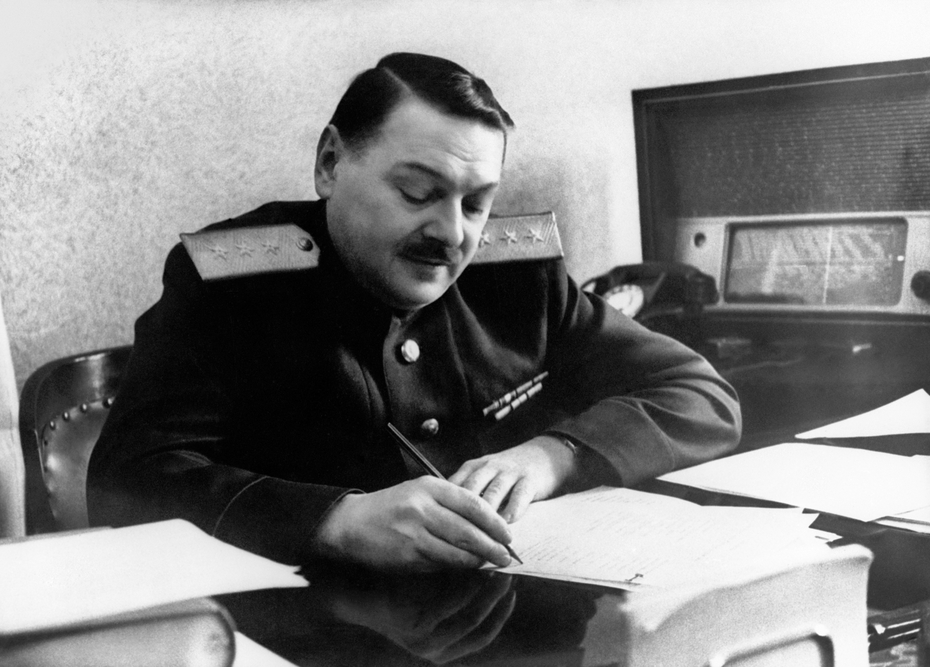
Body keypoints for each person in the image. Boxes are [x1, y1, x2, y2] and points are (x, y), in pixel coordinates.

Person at [87, 52, 740, 571]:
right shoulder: (233, 286)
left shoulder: (519, 278)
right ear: (330, 163)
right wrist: (334, 521)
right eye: (418, 192)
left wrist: (550, 456)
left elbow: (700, 394)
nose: (452, 233)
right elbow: (126, 481)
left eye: (476, 203)